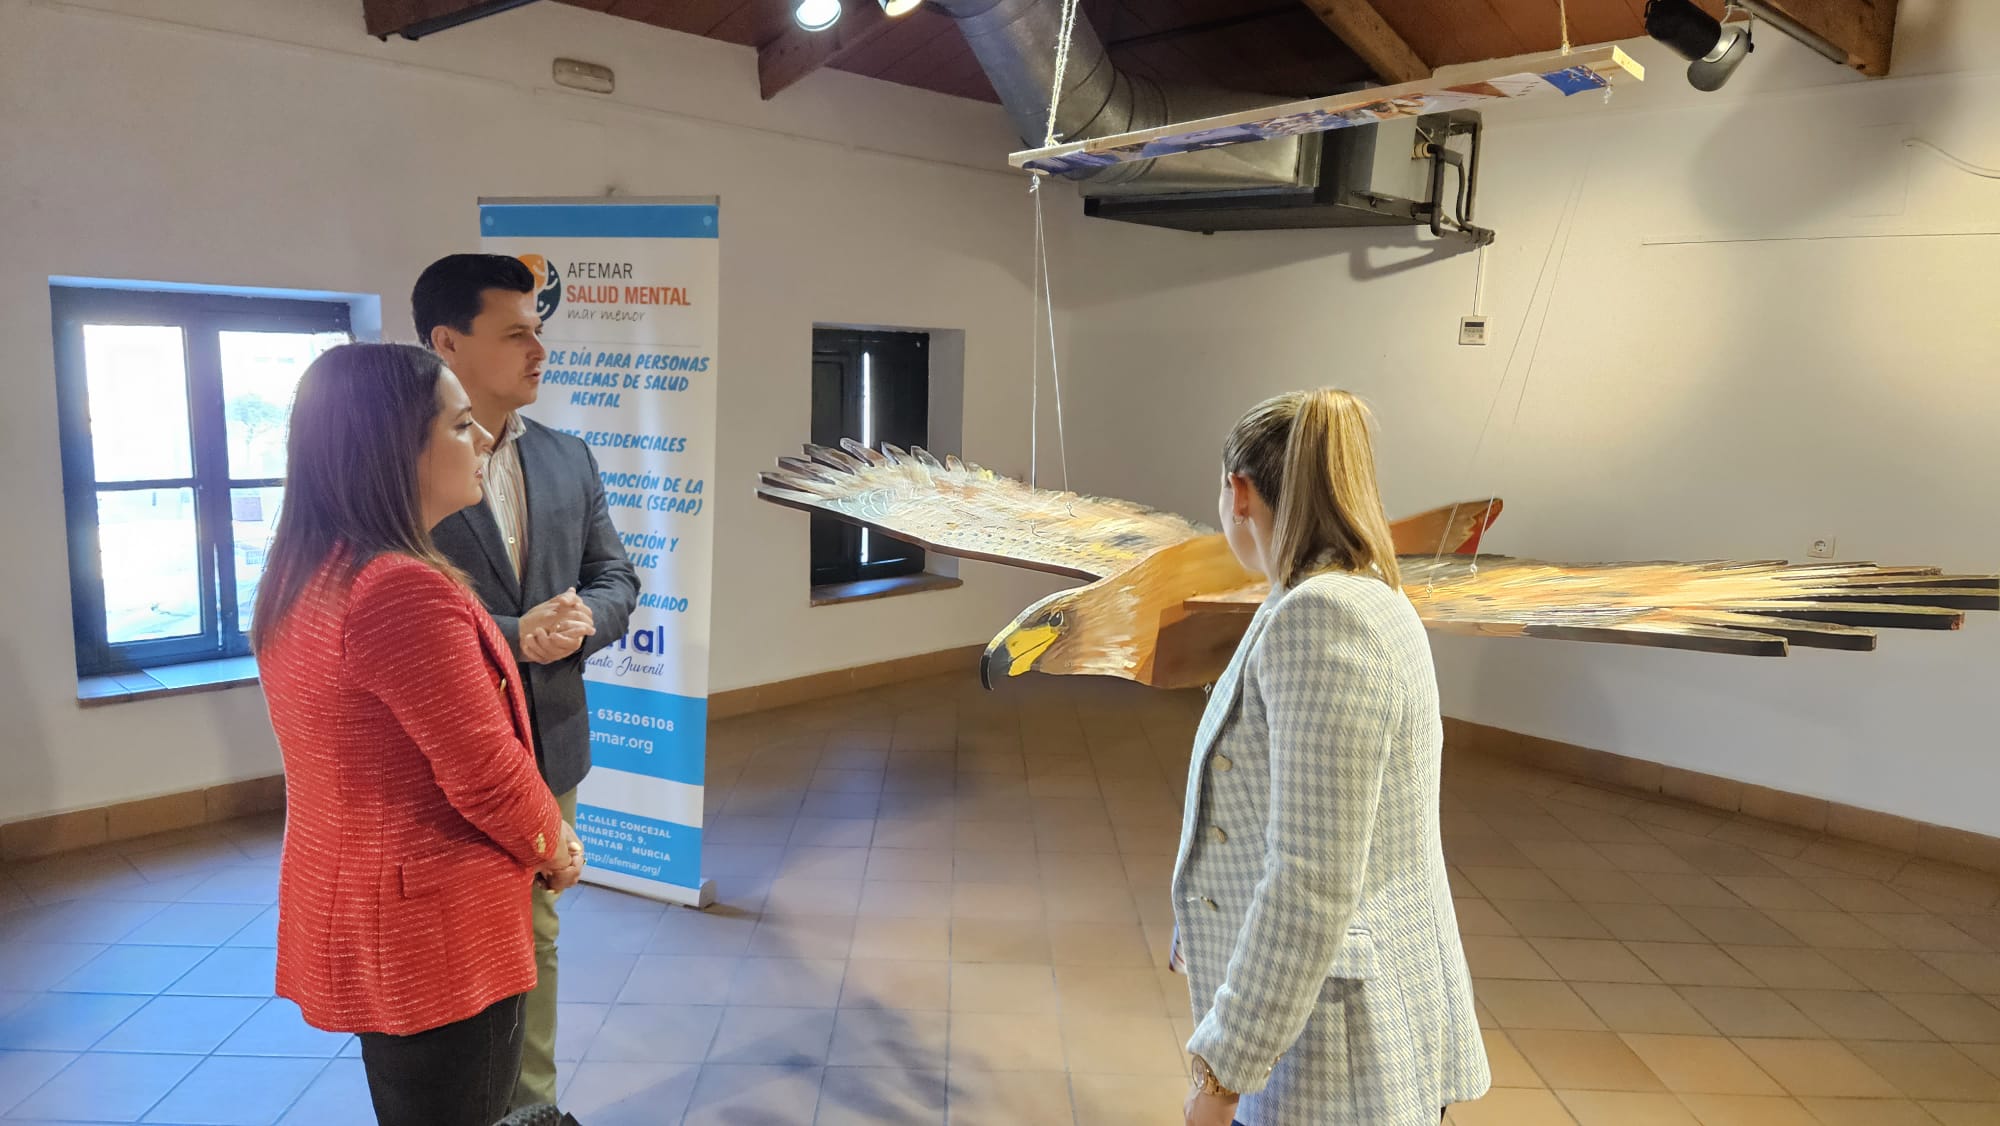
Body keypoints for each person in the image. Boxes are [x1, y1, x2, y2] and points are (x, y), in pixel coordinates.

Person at [252, 343, 586, 1126]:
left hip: (377, 907)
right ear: (393, 450)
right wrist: (554, 845)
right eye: (461, 425)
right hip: (437, 929)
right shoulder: (397, 589)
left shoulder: (315, 565)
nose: (483, 440)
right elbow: (486, 773)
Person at [1171, 389, 1489, 1126]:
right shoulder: (1362, 595)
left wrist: (1221, 1075)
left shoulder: (1320, 618)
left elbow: (1310, 881)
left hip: (1337, 1046)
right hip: (1356, 1006)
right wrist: (1203, 910)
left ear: (1238, 493)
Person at [414, 253, 640, 1109]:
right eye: (515, 334)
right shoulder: (407, 466)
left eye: (538, 331)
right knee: (464, 948)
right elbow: (398, 607)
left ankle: (531, 1108)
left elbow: (614, 575)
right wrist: (518, 635)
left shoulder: (567, 456)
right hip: (447, 761)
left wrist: (583, 622)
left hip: (548, 740)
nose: (540, 351)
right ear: (447, 342)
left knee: (536, 938)